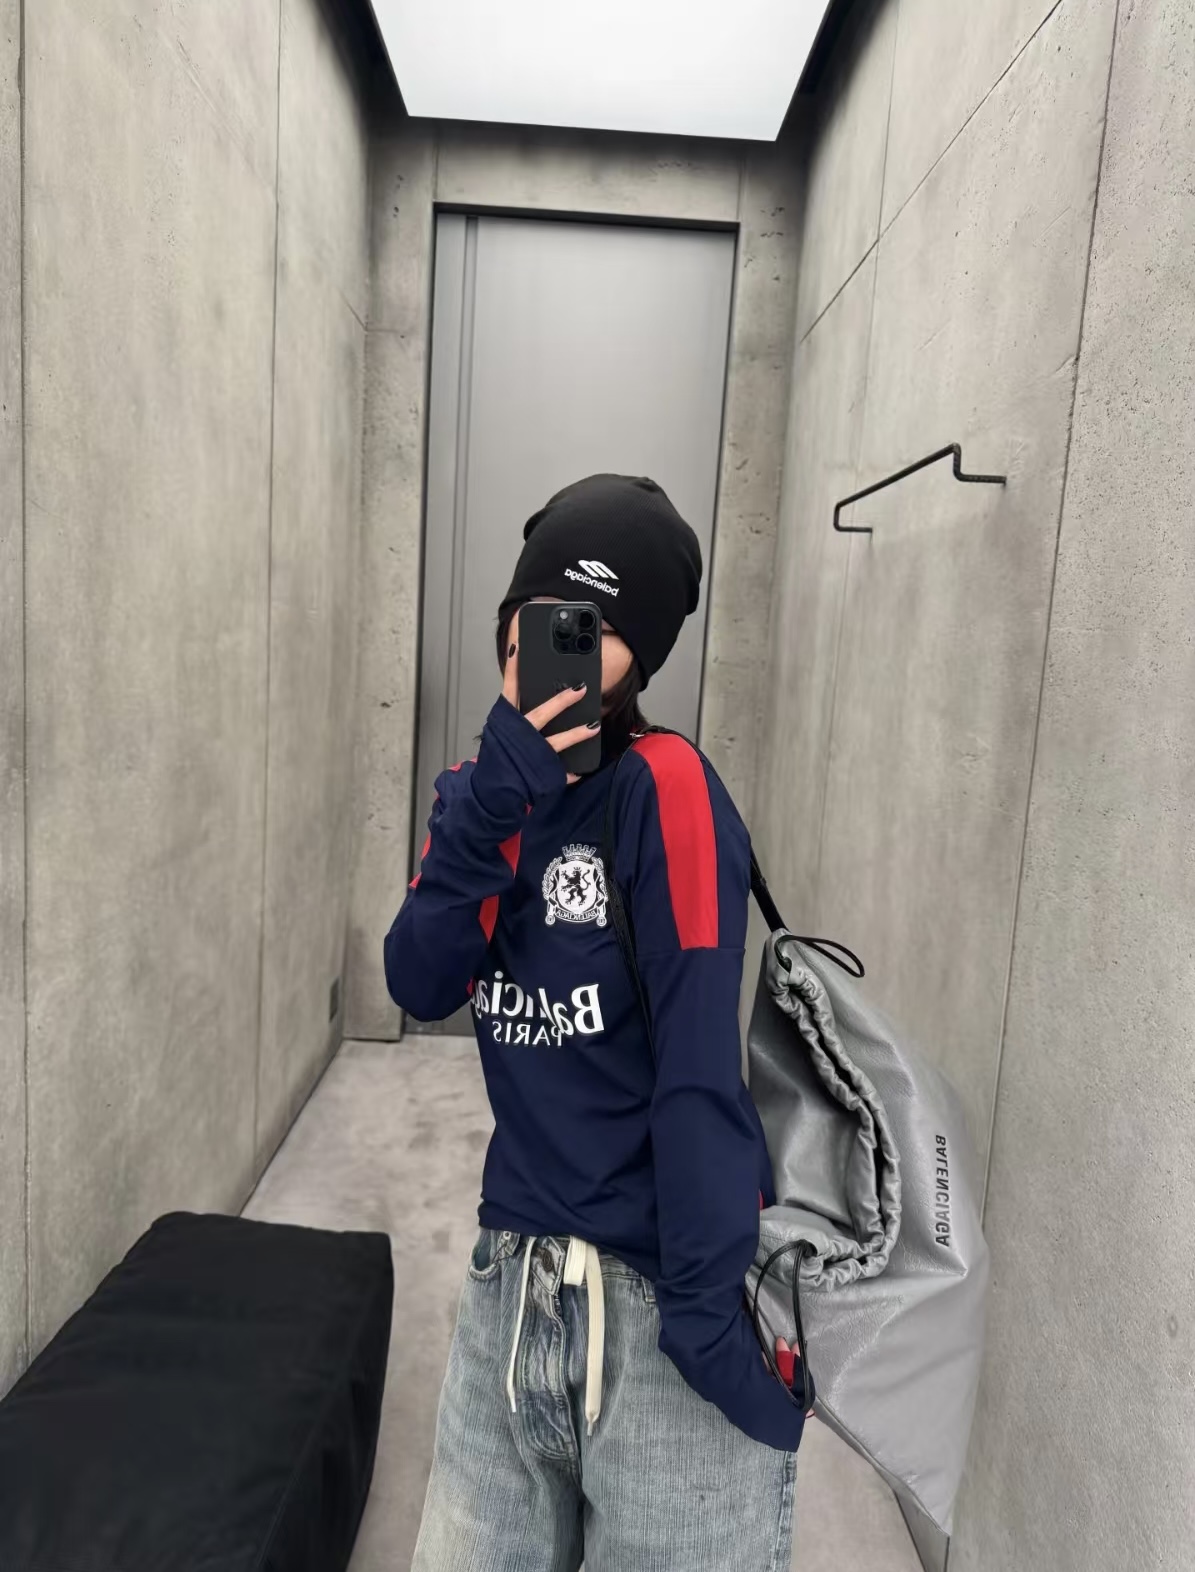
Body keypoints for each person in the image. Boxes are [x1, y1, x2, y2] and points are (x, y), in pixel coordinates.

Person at [384, 474, 811, 1572]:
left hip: (658, 1299)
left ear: (639, 664)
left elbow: (696, 1071)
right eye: (537, 616)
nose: (552, 646)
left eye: (596, 628)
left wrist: (707, 1319)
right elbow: (419, 981)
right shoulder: (479, 800)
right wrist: (490, 807)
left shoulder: (666, 790)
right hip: (509, 1283)